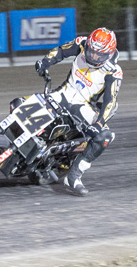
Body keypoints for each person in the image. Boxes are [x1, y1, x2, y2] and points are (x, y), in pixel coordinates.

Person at [33, 27, 122, 195]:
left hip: (83, 106)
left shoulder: (114, 71)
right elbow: (60, 51)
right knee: (26, 103)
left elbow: (111, 101)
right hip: (62, 94)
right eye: (91, 51)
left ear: (109, 54)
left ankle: (74, 176)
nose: (93, 56)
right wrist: (45, 62)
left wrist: (100, 123)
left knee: (106, 136)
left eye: (99, 54)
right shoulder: (82, 43)